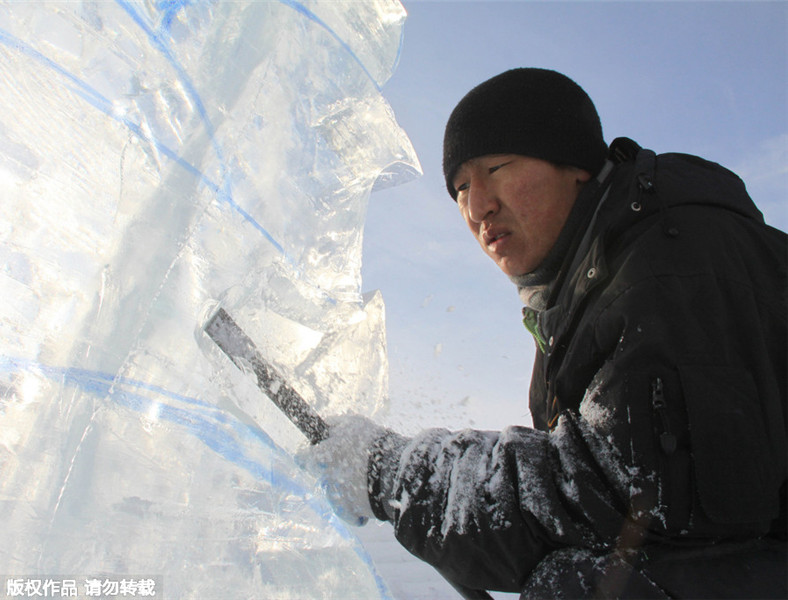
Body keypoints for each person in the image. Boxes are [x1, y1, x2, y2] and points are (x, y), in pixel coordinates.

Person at [298, 68, 787, 599]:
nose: (477, 206)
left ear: (574, 165)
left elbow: (623, 494)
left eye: (496, 169)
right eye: (460, 188)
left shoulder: (674, 261)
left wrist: (394, 474)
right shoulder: (579, 295)